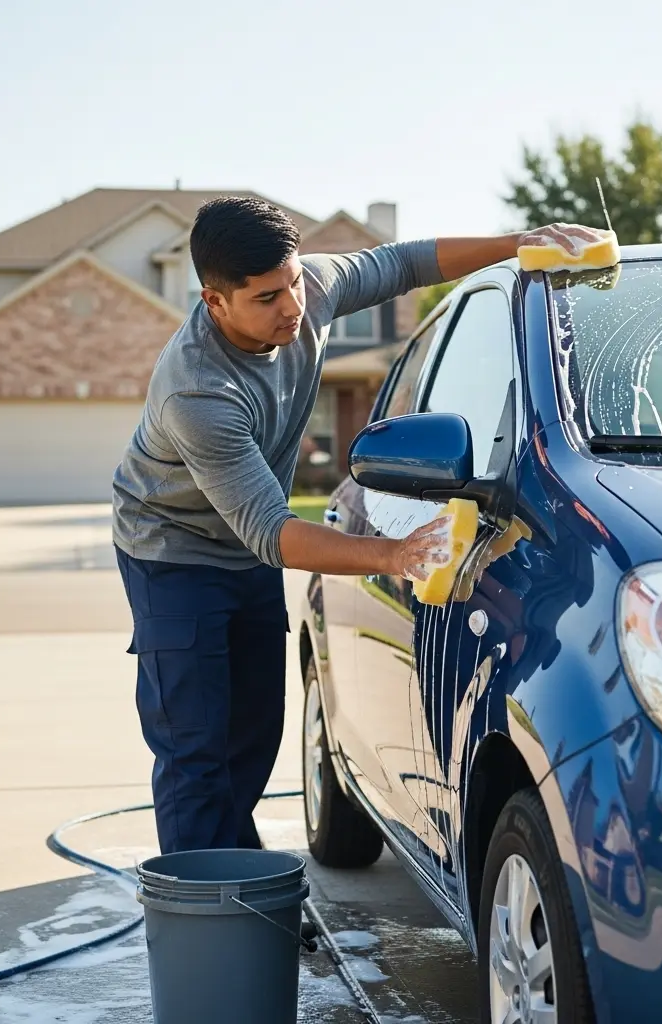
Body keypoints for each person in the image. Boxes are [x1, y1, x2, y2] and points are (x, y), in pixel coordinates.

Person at [112, 196, 604, 855]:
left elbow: (405, 263)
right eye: (265, 299)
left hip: (248, 553)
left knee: (255, 734)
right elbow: (271, 531)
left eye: (290, 284)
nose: (290, 307)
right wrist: (392, 554)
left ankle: (237, 880)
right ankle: (211, 920)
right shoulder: (198, 393)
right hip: (172, 553)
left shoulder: (308, 288)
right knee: (196, 747)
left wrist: (518, 241)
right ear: (214, 301)